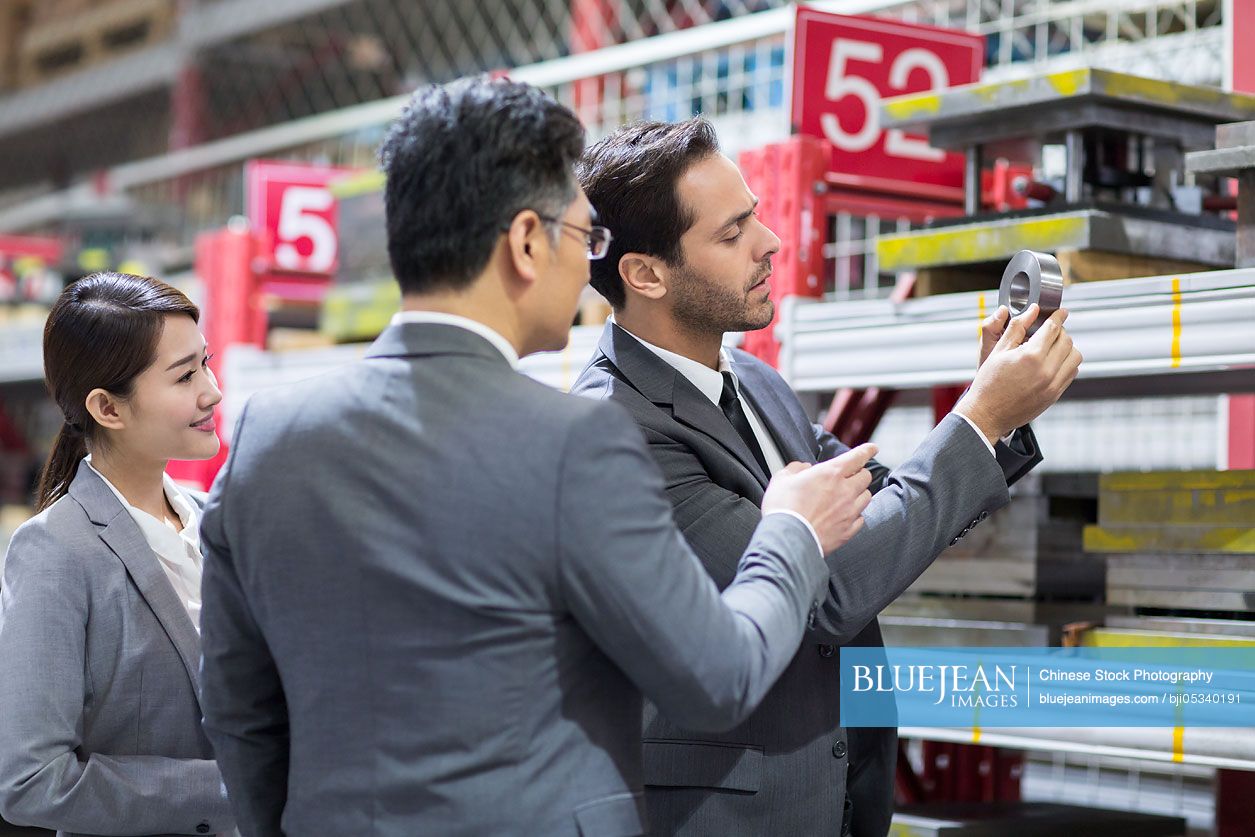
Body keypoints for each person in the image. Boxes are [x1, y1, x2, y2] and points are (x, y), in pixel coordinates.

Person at [197, 76, 878, 837]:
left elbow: (237, 707)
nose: (586, 265)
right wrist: (790, 529)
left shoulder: (268, 435)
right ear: (526, 241)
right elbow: (719, 676)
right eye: (585, 236)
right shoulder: (576, 441)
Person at [571, 118, 1082, 837]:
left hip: (836, 797)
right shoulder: (614, 431)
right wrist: (978, 419)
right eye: (731, 233)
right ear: (645, 273)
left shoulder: (754, 381)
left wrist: (987, 412)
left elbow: (880, 508)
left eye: (755, 215)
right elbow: (825, 585)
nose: (769, 242)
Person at [0, 272, 235, 836]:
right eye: (185, 376)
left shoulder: (220, 525)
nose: (212, 390)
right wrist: (234, 787)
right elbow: (31, 778)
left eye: (205, 361)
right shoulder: (54, 551)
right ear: (108, 407)